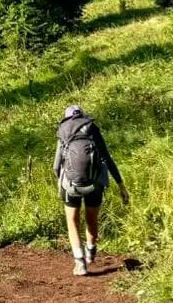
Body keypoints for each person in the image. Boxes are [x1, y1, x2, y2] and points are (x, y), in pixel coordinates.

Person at [53, 105, 128, 275]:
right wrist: (120, 185)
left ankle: (79, 262)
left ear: (67, 118)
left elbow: (56, 166)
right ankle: (91, 250)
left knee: (72, 221)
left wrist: (61, 184)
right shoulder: (92, 128)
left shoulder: (63, 130)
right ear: (83, 116)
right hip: (95, 183)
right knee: (91, 219)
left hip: (71, 185)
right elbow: (107, 158)